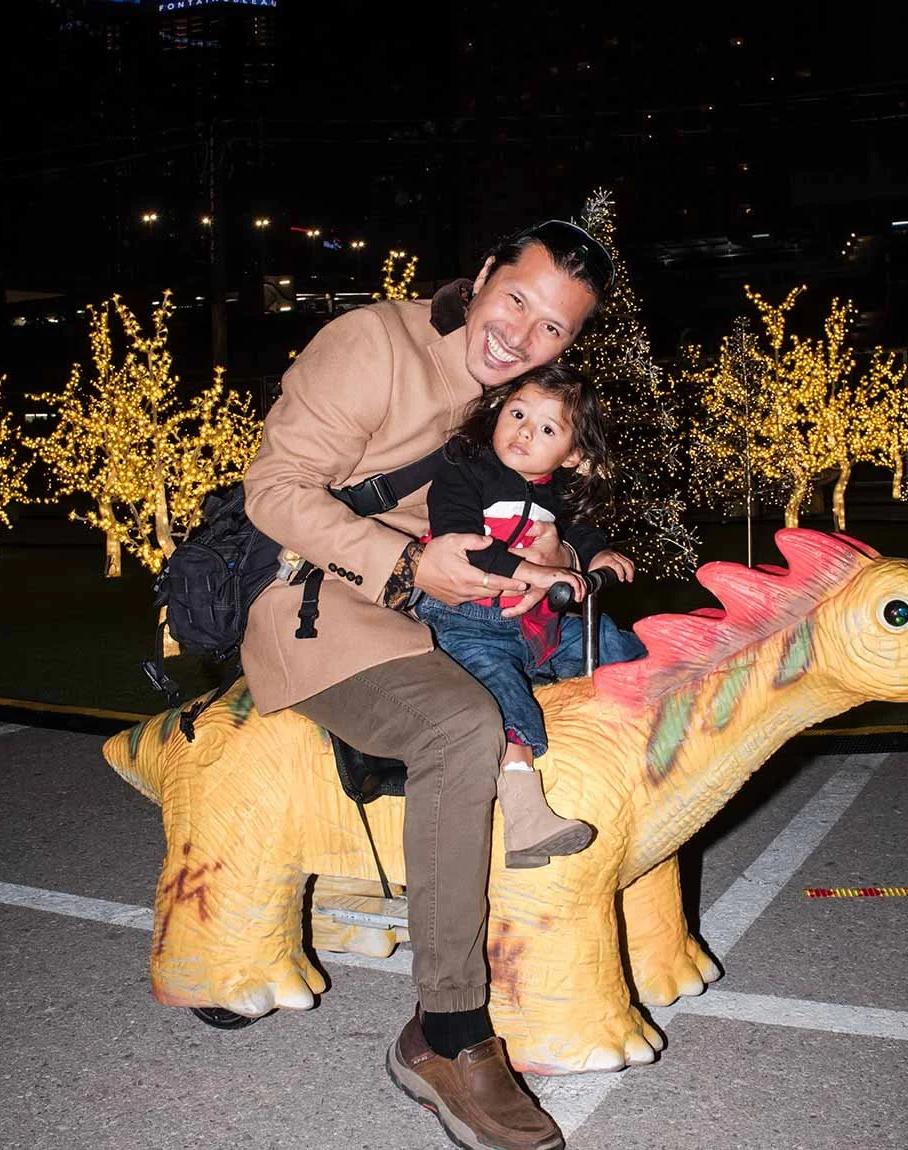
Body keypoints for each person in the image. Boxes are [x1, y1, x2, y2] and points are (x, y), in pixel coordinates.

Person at [241, 219, 617, 1150]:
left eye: (552, 330)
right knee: (463, 724)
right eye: (516, 300)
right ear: (483, 273)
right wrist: (408, 570)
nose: (520, 336)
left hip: (462, 606)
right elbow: (275, 488)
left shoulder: (522, 400)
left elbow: (532, 509)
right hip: (324, 604)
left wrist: (557, 556)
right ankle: (445, 1033)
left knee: (611, 690)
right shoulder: (375, 343)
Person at [413, 363, 646, 869]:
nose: (523, 432)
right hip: (467, 618)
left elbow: (577, 534)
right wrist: (535, 572)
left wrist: (593, 556)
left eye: (546, 429)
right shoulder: (464, 471)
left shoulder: (555, 492)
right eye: (517, 413)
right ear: (497, 410)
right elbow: (463, 548)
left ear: (574, 454)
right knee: (499, 694)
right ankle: (523, 811)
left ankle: (641, 736)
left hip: (538, 622)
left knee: (611, 644)